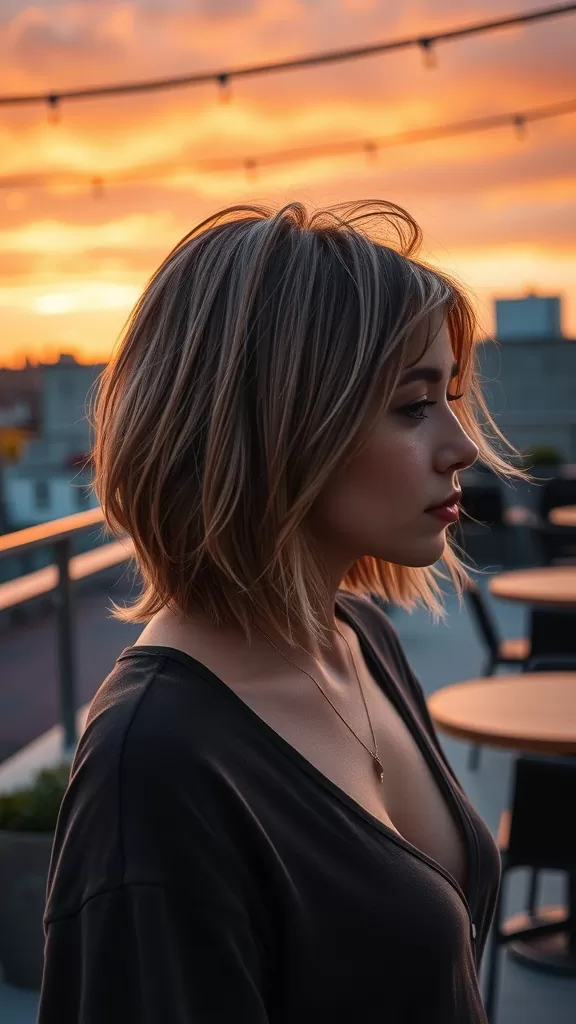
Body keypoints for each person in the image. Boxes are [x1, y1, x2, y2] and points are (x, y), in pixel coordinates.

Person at [38, 200, 518, 1023]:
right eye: (412, 405)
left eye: (454, 396)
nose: (462, 446)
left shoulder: (354, 636)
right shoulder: (153, 769)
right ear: (280, 428)